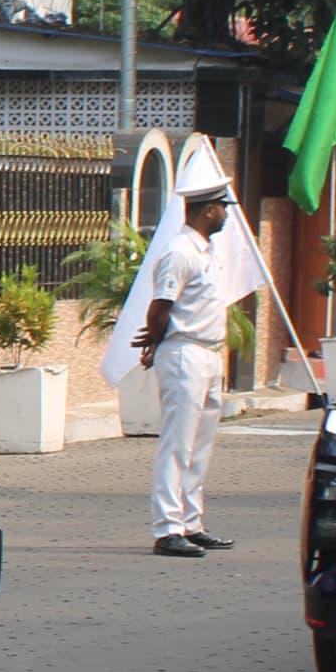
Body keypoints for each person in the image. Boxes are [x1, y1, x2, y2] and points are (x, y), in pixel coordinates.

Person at [130, 147, 255, 560]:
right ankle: (167, 528)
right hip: (184, 353)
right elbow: (160, 306)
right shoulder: (180, 252)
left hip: (207, 354)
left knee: (199, 446)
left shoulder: (206, 251)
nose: (227, 214)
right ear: (207, 210)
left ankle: (191, 522)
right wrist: (153, 341)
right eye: (223, 208)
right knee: (178, 445)